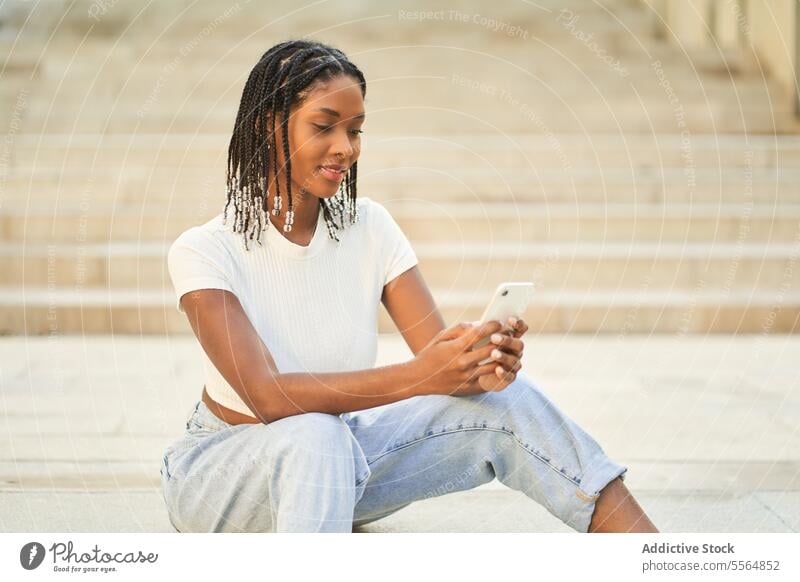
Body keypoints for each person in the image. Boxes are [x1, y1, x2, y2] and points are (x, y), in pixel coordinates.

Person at [160, 39, 658, 534]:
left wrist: (476, 362)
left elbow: (439, 366)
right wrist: (424, 374)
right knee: (315, 433)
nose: (345, 147)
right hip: (222, 474)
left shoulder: (370, 227)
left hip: (341, 461)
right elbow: (268, 398)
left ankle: (652, 556)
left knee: (507, 401)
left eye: (355, 130)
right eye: (324, 125)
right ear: (268, 126)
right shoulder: (205, 250)